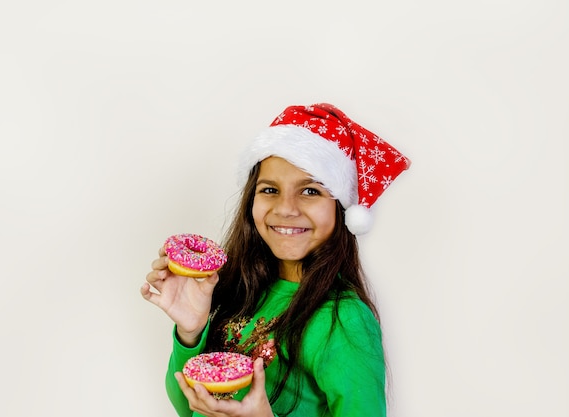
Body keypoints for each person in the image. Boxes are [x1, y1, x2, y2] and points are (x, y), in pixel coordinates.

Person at [141, 103, 411, 417]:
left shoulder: (344, 319)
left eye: (310, 191)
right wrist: (192, 332)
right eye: (270, 189)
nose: (285, 208)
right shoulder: (245, 290)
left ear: (341, 209)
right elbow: (188, 409)